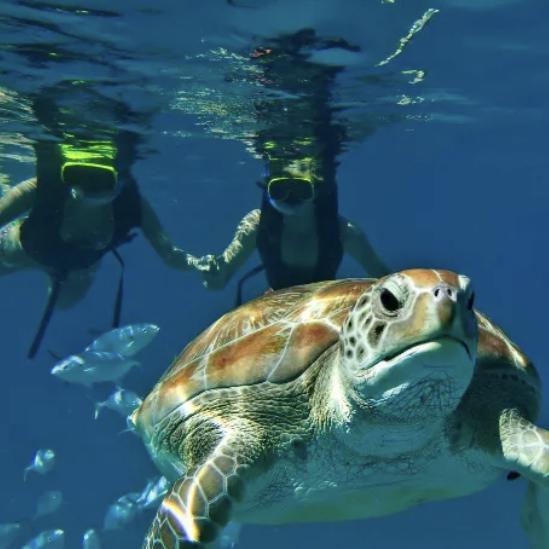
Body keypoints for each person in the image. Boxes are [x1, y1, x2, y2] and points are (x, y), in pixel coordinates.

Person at [0, 93, 199, 357]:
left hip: (75, 272)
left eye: (99, 179)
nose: (87, 186)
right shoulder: (45, 187)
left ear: (117, 180)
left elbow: (169, 252)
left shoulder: (132, 204)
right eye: (78, 177)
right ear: (66, 174)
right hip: (19, 250)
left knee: (64, 303)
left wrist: (197, 264)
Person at [197, 29, 389, 300]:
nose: (289, 199)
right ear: (267, 189)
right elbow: (217, 283)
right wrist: (212, 271)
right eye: (280, 190)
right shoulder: (256, 226)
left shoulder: (344, 233)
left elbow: (391, 284)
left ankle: (283, 58)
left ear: (316, 189)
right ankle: (316, 62)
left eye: (299, 189)